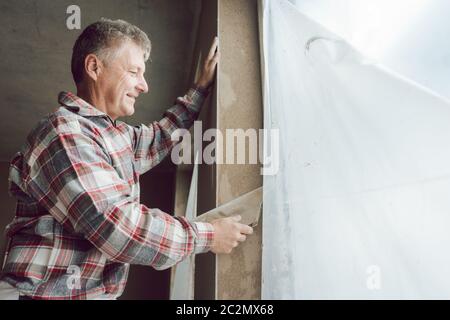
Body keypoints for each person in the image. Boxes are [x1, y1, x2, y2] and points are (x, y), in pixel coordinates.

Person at [0, 18, 253, 300]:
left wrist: (201, 87)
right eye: (134, 72)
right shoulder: (65, 134)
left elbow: (162, 137)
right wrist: (208, 236)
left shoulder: (113, 136)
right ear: (94, 67)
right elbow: (118, 227)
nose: (144, 85)